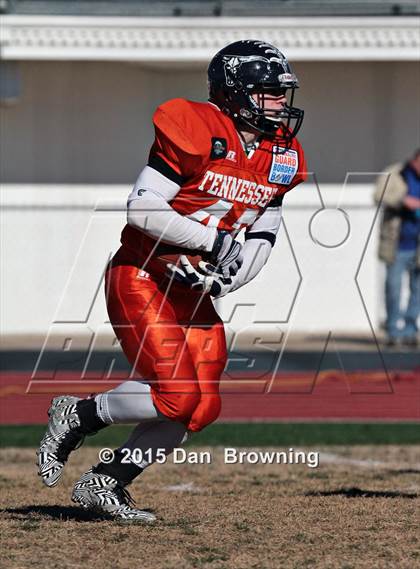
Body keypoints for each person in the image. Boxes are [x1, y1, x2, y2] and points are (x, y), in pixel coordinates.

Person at [37, 40, 307, 522]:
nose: (280, 104)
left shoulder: (280, 153)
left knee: (199, 408)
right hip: (144, 276)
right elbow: (142, 208)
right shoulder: (198, 127)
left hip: (193, 290)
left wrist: (230, 279)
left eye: (282, 93)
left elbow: (264, 232)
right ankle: (78, 415)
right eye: (269, 93)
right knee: (176, 394)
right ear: (234, 92)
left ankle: (106, 482)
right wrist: (212, 241)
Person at [374, 150, 420, 346]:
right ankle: (393, 331)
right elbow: (378, 195)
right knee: (393, 288)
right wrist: (403, 201)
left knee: (417, 289)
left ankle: (410, 331)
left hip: (417, 246)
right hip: (397, 244)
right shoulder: (396, 174)